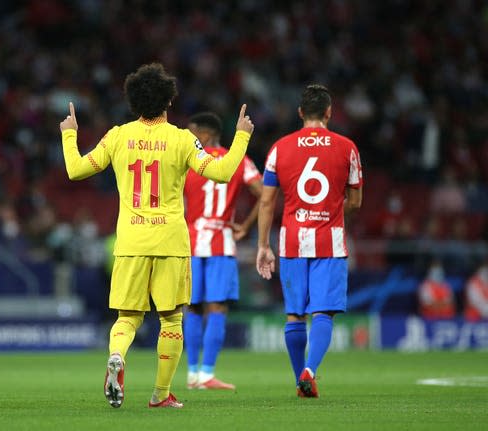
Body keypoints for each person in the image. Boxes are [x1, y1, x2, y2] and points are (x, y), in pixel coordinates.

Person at [59, 63, 253, 408]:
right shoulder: (181, 139)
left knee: (127, 318)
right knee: (171, 318)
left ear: (132, 101)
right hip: (171, 242)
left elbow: (75, 170)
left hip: (130, 241)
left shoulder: (117, 136)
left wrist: (69, 133)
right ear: (168, 101)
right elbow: (222, 172)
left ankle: (117, 356)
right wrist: (241, 135)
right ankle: (161, 395)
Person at [256, 84, 363, 398]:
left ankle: (298, 379)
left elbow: (265, 202)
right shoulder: (347, 148)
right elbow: (355, 202)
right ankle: (310, 370)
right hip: (329, 242)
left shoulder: (280, 148)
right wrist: (330, 213)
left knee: (294, 314)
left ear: (300, 113)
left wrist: (263, 245)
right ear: (329, 113)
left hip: (291, 242)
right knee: (323, 312)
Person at [182, 112, 262, 390]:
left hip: (190, 242)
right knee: (217, 307)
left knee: (191, 307)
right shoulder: (238, 159)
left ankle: (192, 374)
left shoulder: (187, 159)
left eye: (192, 132)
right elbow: (265, 194)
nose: (188, 137)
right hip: (221, 241)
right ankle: (206, 374)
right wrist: (247, 225)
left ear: (204, 135)